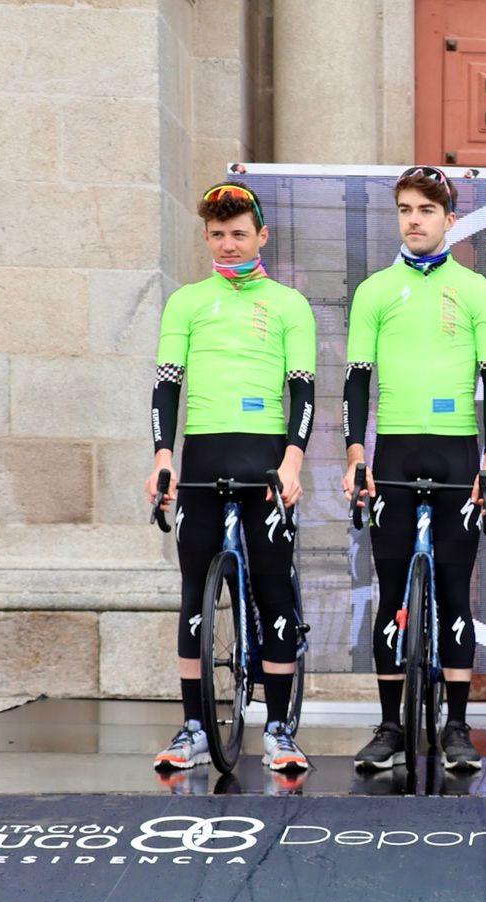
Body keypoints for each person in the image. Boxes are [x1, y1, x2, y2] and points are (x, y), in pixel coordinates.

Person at [341, 166, 486, 774]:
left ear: (450, 220)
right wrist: (357, 454)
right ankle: (390, 725)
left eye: (427, 210)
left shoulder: (476, 291)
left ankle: (457, 726)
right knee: (392, 593)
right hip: (395, 454)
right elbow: (357, 379)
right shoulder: (374, 291)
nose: (414, 219)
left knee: (454, 593)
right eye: (406, 209)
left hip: (458, 452)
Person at [148, 182, 315, 774]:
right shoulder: (187, 302)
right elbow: (167, 384)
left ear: (261, 235)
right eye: (216, 235)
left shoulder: (289, 304)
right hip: (204, 457)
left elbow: (303, 389)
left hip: (266, 457)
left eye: (238, 233)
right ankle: (194, 726)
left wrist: (293, 459)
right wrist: (164, 456)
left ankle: (278, 729)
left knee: (273, 591)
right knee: (195, 593)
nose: (226, 244)